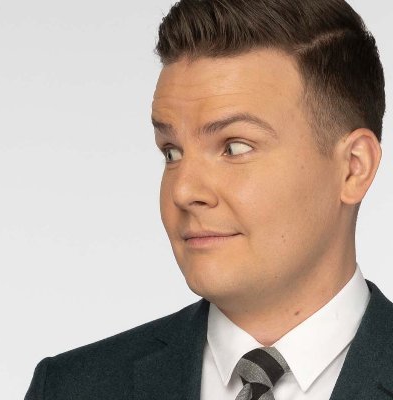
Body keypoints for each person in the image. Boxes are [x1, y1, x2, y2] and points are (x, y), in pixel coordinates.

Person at [25, 0, 393, 399]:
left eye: (234, 147)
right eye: (171, 152)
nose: (183, 191)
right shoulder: (69, 388)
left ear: (353, 168)